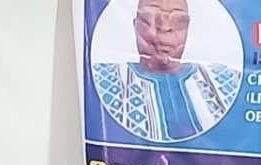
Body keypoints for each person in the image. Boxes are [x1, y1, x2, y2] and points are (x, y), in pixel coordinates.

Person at [92, 0, 240, 142]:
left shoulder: (228, 81)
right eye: (150, 20)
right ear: (135, 25)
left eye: (178, 22)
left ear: (187, 28)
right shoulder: (101, 80)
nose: (164, 28)